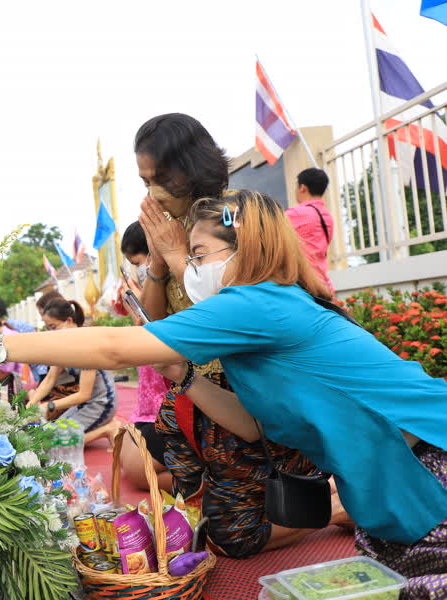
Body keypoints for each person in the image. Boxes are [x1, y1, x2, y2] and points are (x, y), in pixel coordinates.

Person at [0, 189, 447, 598]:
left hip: (429, 458)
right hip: (391, 478)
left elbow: (112, 347)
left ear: (246, 249)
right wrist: (184, 376)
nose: (191, 270)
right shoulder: (258, 317)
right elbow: (253, 424)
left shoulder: (256, 304)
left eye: (198, 255)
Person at [126, 113, 324, 556]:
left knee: (226, 539)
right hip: (196, 395)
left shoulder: (236, 211)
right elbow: (160, 330)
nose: (152, 193)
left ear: (190, 167)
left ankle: (330, 507)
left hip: (251, 391)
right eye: (144, 182)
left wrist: (179, 254)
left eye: (160, 178)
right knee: (183, 506)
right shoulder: (168, 226)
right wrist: (158, 264)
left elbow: (238, 310)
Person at [113, 221, 173, 492]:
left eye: (137, 261)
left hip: (170, 404)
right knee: (126, 456)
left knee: (138, 474)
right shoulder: (149, 287)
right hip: (149, 406)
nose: (137, 270)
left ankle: (205, 482)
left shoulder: (172, 285)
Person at [26, 298, 117, 442]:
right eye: (48, 328)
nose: (51, 332)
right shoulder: (64, 346)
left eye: (53, 327)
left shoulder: (86, 346)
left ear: (69, 320)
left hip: (101, 403)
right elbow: (49, 379)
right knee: (46, 436)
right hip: (82, 405)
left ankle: (107, 429)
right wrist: (32, 403)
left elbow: (84, 395)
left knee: (54, 442)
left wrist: (48, 406)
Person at [286, 168, 335, 294]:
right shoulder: (327, 216)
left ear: (302, 188)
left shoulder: (296, 214)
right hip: (324, 284)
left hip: (304, 285)